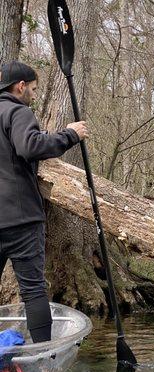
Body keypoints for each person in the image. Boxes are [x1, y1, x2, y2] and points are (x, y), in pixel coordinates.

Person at [0, 60, 88, 343]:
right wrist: (70, 134)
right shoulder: (18, 112)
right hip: (21, 220)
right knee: (33, 290)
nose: (35, 95)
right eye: (34, 89)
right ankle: (44, 356)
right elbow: (30, 146)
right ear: (20, 86)